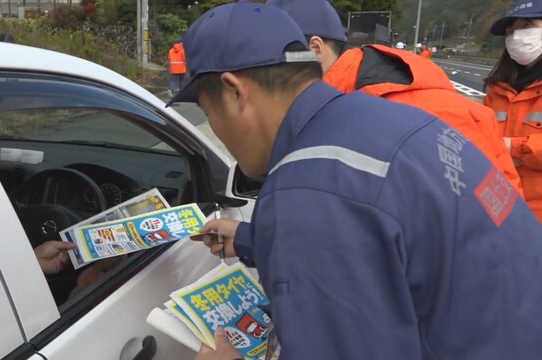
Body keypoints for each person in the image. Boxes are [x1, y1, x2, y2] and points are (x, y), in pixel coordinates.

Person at [168, 2, 542, 359]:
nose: (213, 125)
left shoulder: (308, 191)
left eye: (206, 108)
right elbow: (396, 237)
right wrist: (257, 238)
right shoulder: (388, 117)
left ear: (235, 92)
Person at [267, 0, 523, 195]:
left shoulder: (410, 112)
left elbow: (484, 228)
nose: (265, 78)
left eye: (272, 62)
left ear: (314, 50)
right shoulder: (341, 102)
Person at [484, 0, 542, 222]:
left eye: (527, 27)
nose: (517, 37)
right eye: (511, 31)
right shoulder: (497, 90)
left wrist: (514, 147)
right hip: (499, 210)